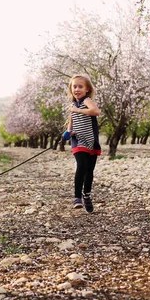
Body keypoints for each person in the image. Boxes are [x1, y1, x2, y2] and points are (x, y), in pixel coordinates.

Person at [63, 74, 101, 213]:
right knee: (81, 166)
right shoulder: (73, 105)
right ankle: (77, 198)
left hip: (91, 140)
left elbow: (96, 111)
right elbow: (71, 122)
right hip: (78, 141)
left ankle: (87, 195)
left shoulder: (87, 100)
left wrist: (78, 110)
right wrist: (69, 132)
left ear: (87, 89)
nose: (77, 89)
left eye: (80, 86)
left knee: (89, 171)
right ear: (71, 89)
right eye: (74, 86)